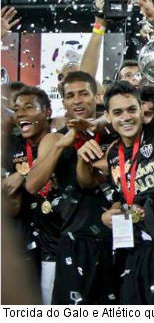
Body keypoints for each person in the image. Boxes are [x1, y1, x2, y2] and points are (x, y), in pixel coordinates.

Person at [78, 81, 154, 305]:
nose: (126, 117)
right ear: (109, 118)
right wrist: (111, 214)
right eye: (118, 112)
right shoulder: (114, 153)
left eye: (132, 109)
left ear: (142, 110)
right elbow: (121, 197)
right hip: (133, 251)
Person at [26, 72, 120, 305]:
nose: (77, 100)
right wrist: (61, 145)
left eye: (83, 94)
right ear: (64, 102)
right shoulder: (53, 140)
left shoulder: (114, 132)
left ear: (96, 97)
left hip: (116, 239)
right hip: (74, 243)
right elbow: (32, 185)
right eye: (70, 96)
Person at [3, 87, 60, 305]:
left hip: (59, 241)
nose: (21, 114)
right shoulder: (13, 147)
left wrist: (23, 173)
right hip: (29, 241)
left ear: (47, 112)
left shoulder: (60, 141)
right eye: (17, 109)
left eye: (29, 107)